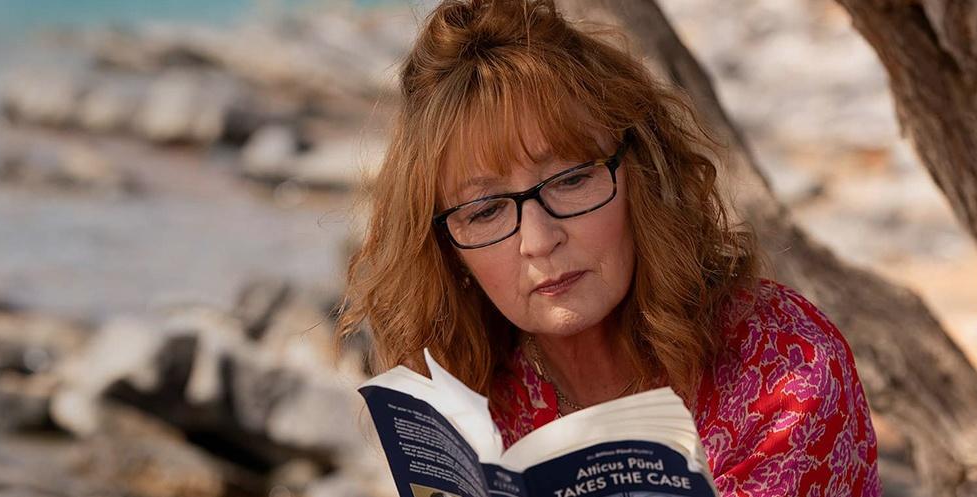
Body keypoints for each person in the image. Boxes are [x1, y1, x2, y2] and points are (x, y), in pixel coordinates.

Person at [337, 1, 881, 495]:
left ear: (640, 173)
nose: (539, 240)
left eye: (571, 180)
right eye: (485, 211)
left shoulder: (785, 367)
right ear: (448, 250)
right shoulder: (482, 393)